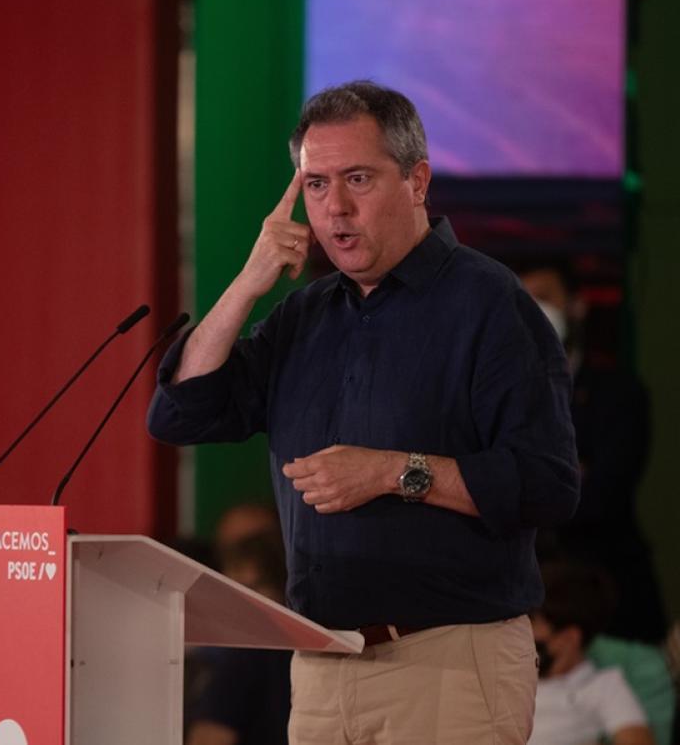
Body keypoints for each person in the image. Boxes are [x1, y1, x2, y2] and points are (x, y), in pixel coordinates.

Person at [148, 80, 580, 744]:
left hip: (450, 664)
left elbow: (548, 485)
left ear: (417, 181)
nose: (336, 209)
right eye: (316, 185)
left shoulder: (489, 303)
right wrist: (247, 282)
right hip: (322, 666)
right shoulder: (305, 315)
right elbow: (180, 412)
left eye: (358, 178)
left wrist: (393, 473)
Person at [517, 260, 668, 645]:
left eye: (545, 297)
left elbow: (603, 495)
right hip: (527, 603)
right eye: (523, 299)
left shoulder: (617, 393)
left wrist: (523, 482)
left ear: (576, 305)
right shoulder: (500, 398)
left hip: (611, 598)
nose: (535, 310)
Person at [529, 560, 654, 745]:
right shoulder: (508, 675)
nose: (525, 633)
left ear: (569, 638)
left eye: (533, 622)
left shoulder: (603, 688)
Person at [186, 529, 292, 745]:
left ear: (283, 590)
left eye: (252, 589)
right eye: (232, 590)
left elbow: (208, 739)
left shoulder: (247, 656)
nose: (240, 603)